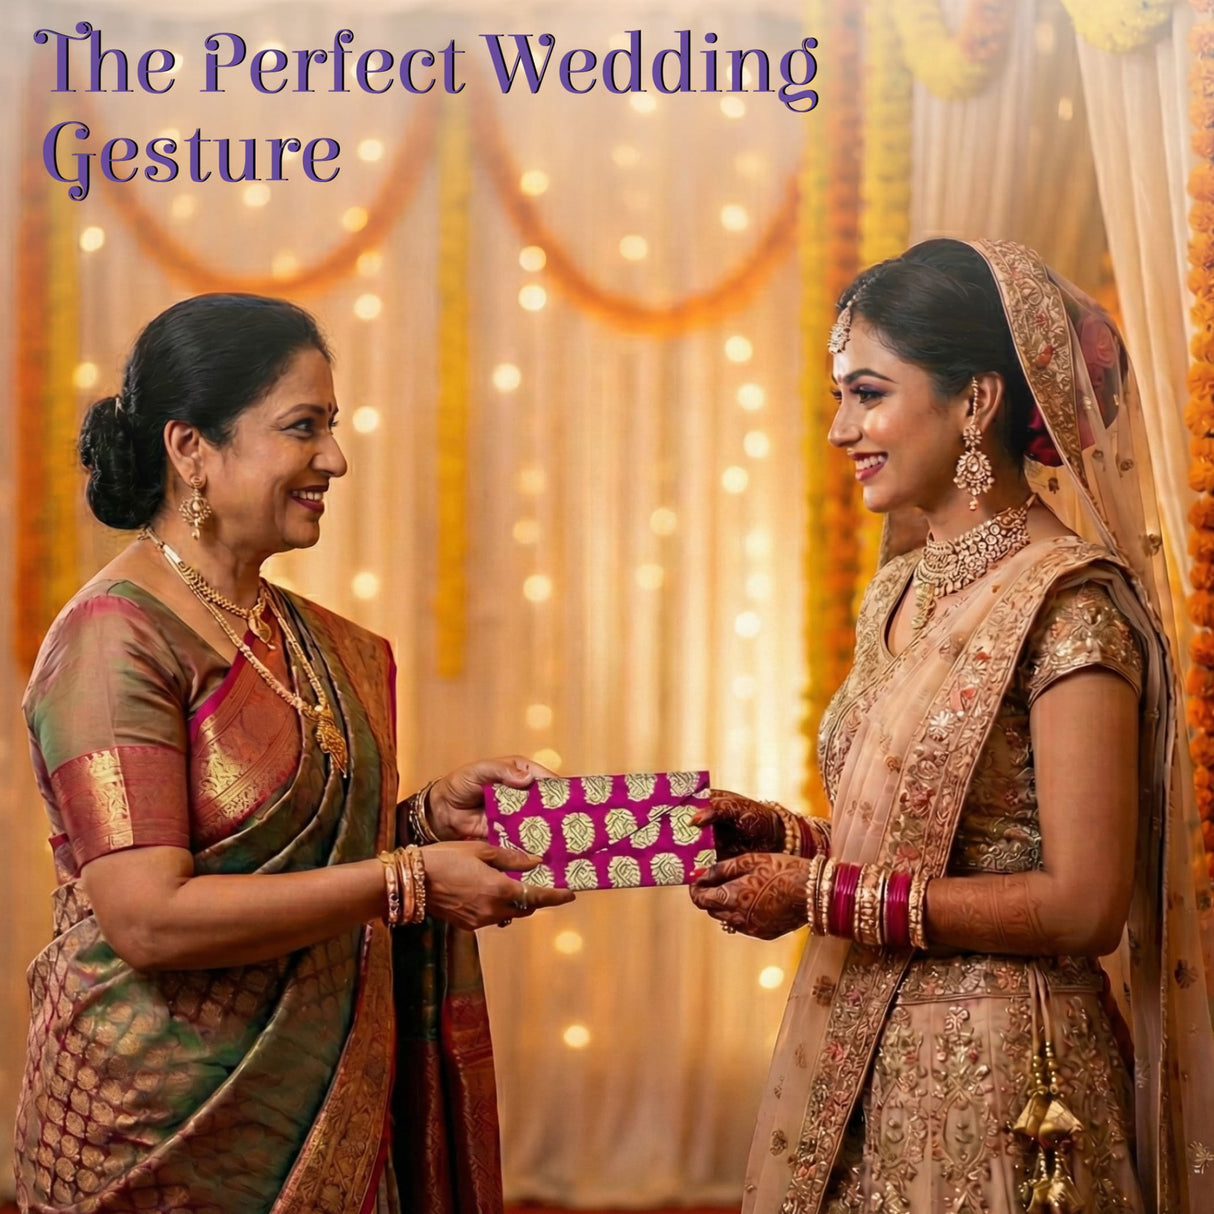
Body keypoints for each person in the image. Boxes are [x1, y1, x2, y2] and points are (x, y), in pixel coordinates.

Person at [13, 294, 574, 1214]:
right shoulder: (115, 644)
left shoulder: (307, 639)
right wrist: (410, 880)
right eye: (301, 428)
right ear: (190, 448)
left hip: (320, 1108)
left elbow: (292, 855)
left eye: (332, 427)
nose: (335, 459)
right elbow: (147, 918)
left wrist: (427, 822)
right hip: (156, 1135)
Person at [690, 238, 1214, 1213]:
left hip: (1009, 1086)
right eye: (838, 397)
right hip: (865, 1062)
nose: (841, 428)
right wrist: (789, 839)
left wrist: (815, 891)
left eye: (869, 393)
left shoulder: (1067, 605)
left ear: (974, 402)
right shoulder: (894, 589)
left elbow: (1080, 903)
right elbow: (933, 848)